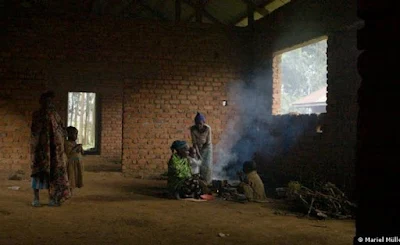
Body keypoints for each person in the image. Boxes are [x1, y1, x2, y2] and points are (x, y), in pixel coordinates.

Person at [30, 91, 70, 207]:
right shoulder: (37, 115)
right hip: (40, 150)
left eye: (50, 101)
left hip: (54, 150)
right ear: (42, 102)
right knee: (38, 173)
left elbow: (61, 130)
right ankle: (36, 198)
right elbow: (34, 132)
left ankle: (52, 198)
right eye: (47, 101)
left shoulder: (55, 115)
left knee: (52, 174)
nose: (49, 103)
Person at [190, 112, 213, 184]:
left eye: (200, 123)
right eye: (197, 123)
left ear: (204, 122)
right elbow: (194, 143)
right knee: (197, 164)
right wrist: (198, 154)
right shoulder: (193, 129)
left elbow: (208, 142)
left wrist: (201, 154)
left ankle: (207, 182)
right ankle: (199, 182)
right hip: (198, 147)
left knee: (207, 164)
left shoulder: (208, 128)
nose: (199, 125)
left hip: (207, 147)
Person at [65, 126, 84, 196]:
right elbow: (69, 153)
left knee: (76, 176)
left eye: (76, 134)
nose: (76, 136)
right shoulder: (67, 143)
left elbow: (82, 152)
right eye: (75, 134)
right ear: (69, 135)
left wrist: (80, 148)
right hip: (71, 163)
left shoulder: (75, 143)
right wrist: (76, 147)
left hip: (77, 163)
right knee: (71, 177)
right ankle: (69, 190)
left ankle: (72, 190)